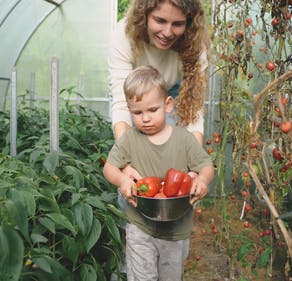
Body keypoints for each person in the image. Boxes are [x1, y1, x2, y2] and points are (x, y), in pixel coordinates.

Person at [103, 65, 214, 280]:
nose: (145, 118)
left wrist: (202, 180)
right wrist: (122, 180)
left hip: (175, 229)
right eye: (137, 112)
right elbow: (109, 168)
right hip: (140, 226)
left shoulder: (184, 139)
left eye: (152, 110)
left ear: (168, 105)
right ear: (129, 110)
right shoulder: (129, 140)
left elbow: (206, 165)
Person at [108, 0, 211, 146]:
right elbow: (122, 103)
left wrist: (195, 163)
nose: (167, 33)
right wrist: (126, 159)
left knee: (172, 146)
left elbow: (193, 109)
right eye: (160, 20)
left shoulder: (195, 45)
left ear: (188, 24)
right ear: (144, 15)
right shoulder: (124, 35)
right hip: (133, 95)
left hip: (173, 90)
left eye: (177, 24)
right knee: (132, 145)